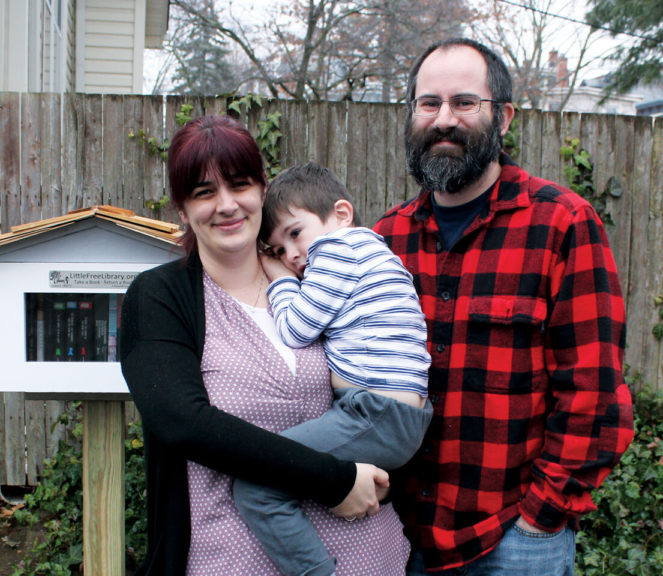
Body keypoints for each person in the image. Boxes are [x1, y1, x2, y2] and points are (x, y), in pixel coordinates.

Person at [372, 38, 635, 576]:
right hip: (397, 539)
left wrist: (542, 516)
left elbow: (595, 393)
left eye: (465, 102)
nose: (444, 119)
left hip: (512, 543)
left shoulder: (561, 224)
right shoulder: (385, 239)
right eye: (429, 103)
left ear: (504, 117)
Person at [120, 115, 410, 576]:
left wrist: (389, 476)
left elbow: (387, 384)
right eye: (204, 192)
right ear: (182, 209)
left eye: (240, 185)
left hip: (370, 555)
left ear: (262, 190)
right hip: (231, 560)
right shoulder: (161, 296)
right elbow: (182, 422)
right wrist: (333, 481)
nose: (227, 205)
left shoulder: (314, 277)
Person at [232, 162, 433, 576]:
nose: (291, 255)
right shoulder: (372, 252)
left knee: (257, 486)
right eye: (278, 250)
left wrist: (277, 277)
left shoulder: (337, 250)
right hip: (391, 415)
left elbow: (295, 328)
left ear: (341, 214)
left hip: (374, 414)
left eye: (294, 234)